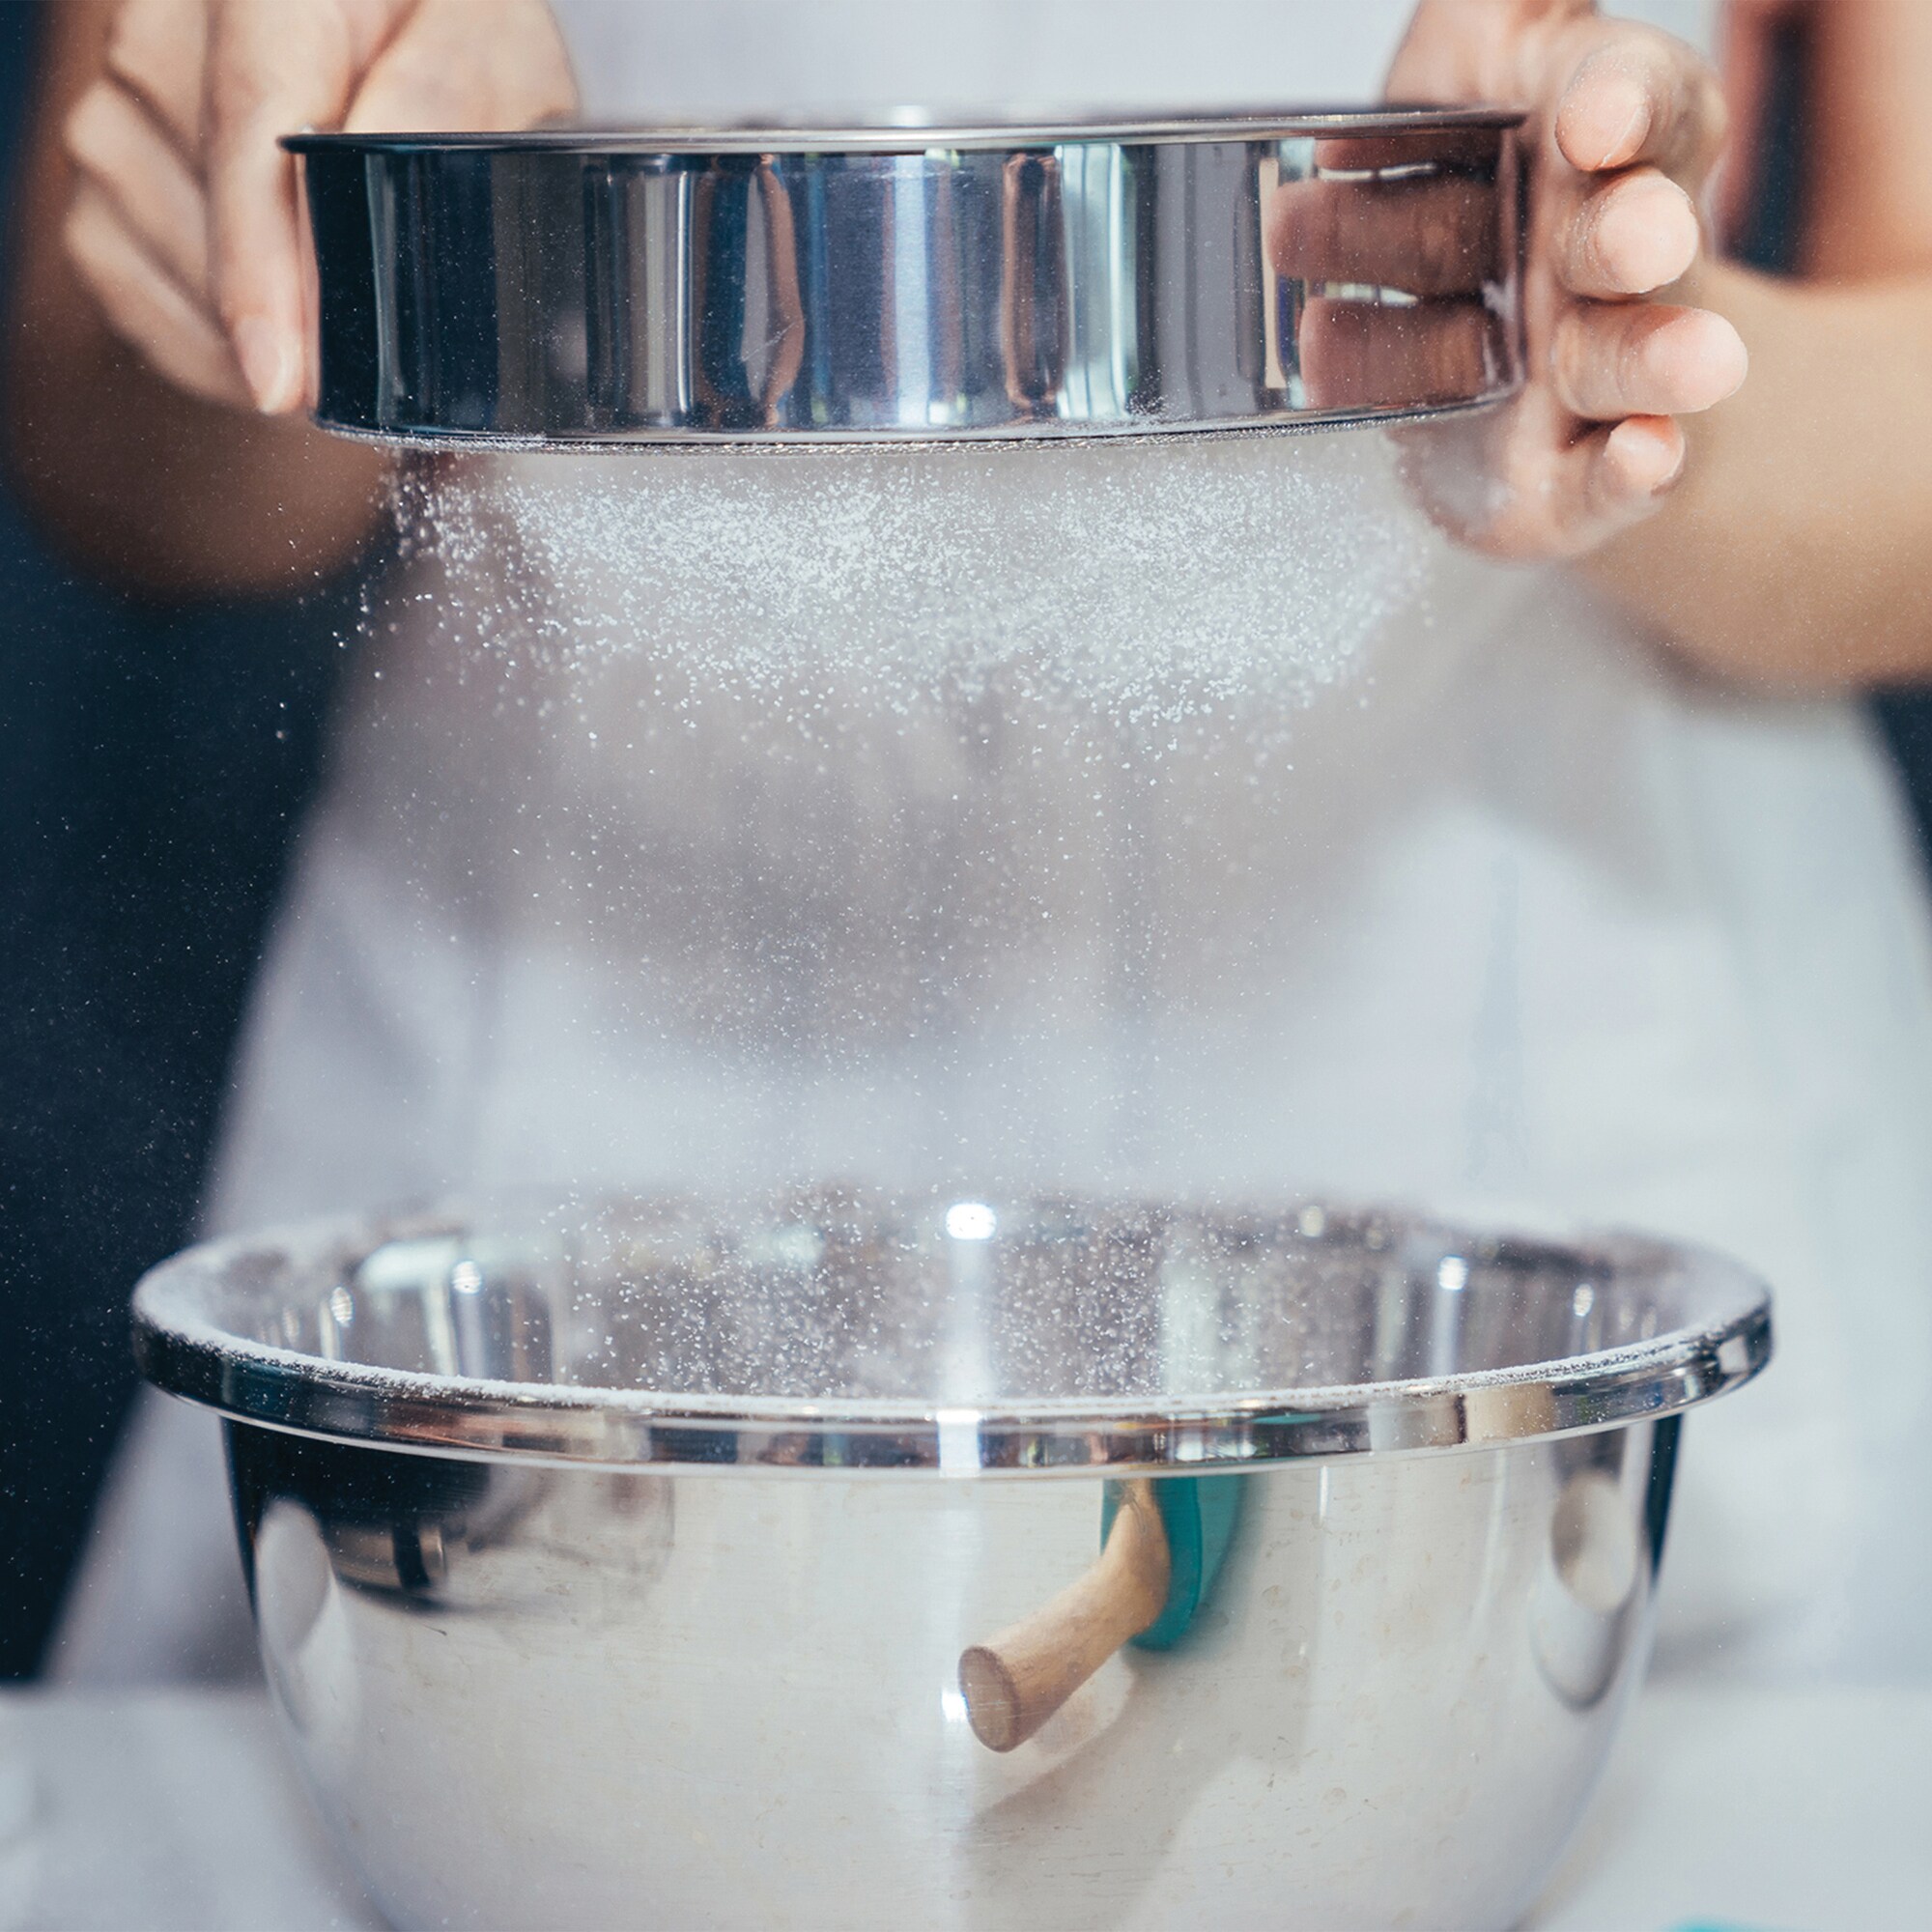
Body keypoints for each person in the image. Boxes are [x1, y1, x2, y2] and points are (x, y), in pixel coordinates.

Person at [10, 0, 1931, 1687]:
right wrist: (303, 258)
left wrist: (1583, 334)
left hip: (1526, 1061)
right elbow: (122, 466)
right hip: (571, 1152)